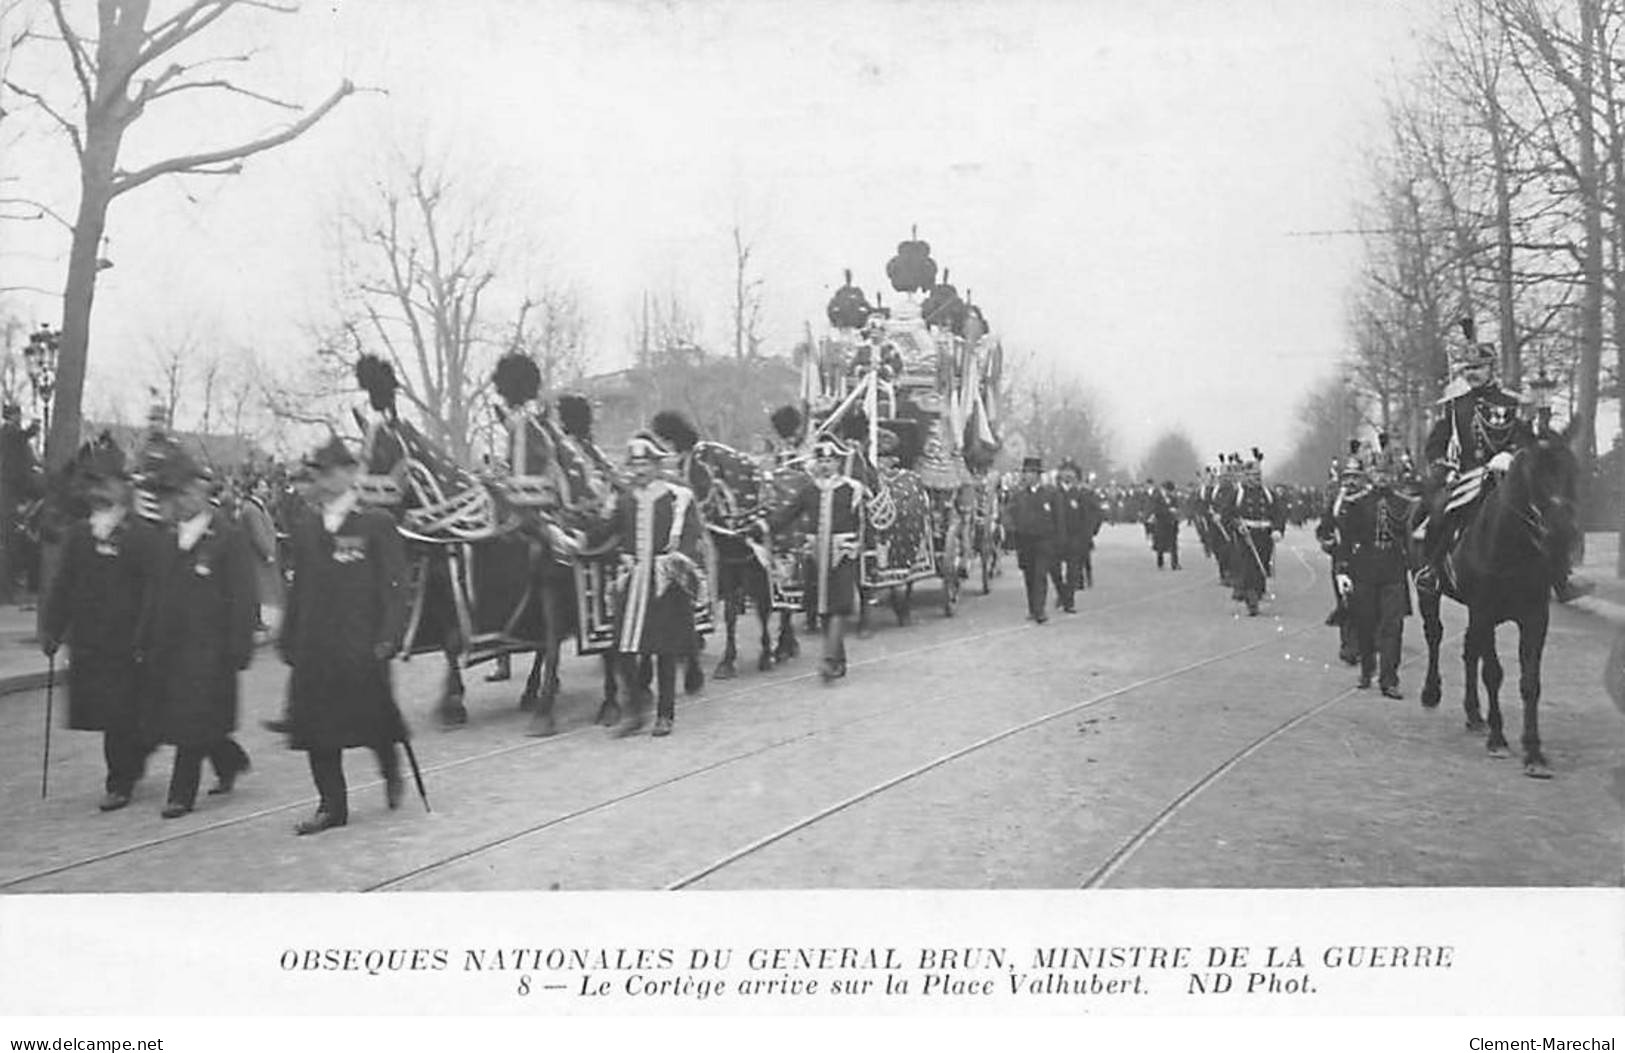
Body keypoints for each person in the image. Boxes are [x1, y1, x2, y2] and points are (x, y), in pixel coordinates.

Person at [280, 436, 410, 836]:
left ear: (351, 474)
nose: (322, 479)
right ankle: (331, 805)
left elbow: (395, 586)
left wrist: (390, 635)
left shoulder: (375, 523)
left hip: (361, 644)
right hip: (316, 645)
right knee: (317, 728)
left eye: (330, 471)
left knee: (373, 722)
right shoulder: (305, 526)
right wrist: (290, 636)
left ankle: (390, 769)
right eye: (318, 472)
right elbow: (299, 588)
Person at [1421, 319, 1591, 602]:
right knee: (1441, 511)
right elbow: (1436, 444)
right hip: (1468, 476)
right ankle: (1432, 570)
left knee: (1549, 513)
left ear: (1492, 368)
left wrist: (1510, 454)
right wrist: (1443, 466)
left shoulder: (1513, 402)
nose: (1472, 373)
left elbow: (1526, 438)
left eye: (1478, 368)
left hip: (1509, 473)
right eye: (1468, 369)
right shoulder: (1455, 404)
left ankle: (1559, 578)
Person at [40, 438, 161, 812]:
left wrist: (149, 635)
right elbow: (63, 586)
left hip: (131, 640)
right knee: (113, 713)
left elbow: (154, 591)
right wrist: (52, 629)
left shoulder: (142, 535)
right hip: (93, 639)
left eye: (106, 483)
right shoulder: (80, 535)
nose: (98, 491)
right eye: (93, 484)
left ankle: (124, 776)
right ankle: (121, 776)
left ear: (123, 486)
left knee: (134, 712)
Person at [141, 448, 256, 819]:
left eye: (187, 492)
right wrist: (144, 636)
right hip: (171, 647)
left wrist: (240, 644)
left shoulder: (227, 536)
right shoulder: (166, 538)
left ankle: (181, 793)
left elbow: (243, 595)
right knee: (192, 718)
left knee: (191, 719)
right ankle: (228, 759)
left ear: (202, 491)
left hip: (211, 648)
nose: (181, 501)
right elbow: (153, 593)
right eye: (174, 495)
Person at [604, 431, 705, 737]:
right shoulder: (623, 500)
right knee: (621, 649)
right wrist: (579, 538)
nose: (639, 470)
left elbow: (691, 535)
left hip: (665, 583)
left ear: (656, 465)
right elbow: (608, 533)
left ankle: (665, 714)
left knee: (665, 650)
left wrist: (679, 560)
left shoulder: (677, 498)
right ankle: (634, 709)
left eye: (645, 463)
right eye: (635, 465)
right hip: (633, 582)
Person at [771, 437, 867, 680]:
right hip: (816, 556)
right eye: (821, 460)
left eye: (830, 461)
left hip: (843, 554)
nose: (825, 466)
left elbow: (866, 522)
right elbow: (787, 515)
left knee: (839, 606)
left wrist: (864, 547)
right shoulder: (809, 491)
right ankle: (838, 661)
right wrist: (762, 527)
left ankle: (829, 659)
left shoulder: (852, 489)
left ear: (838, 463)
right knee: (823, 610)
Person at [1335, 441, 1416, 698]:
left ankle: (1389, 679)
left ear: (1392, 476)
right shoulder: (1358, 503)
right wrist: (1343, 569)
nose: (1382, 478)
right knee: (1366, 623)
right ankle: (1367, 669)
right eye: (1378, 473)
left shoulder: (1404, 504)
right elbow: (1346, 539)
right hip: (1365, 570)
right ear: (1370, 474)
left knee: (1393, 627)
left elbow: (1409, 538)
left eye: (1386, 474)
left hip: (1393, 570)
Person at [1218, 448, 1283, 617]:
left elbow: (1278, 513)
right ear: (1246, 477)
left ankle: (1258, 591)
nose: (1255, 480)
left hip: (1265, 535)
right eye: (1252, 476)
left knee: (1262, 566)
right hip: (1245, 536)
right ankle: (1250, 599)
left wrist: (1277, 529)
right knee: (1248, 567)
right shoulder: (1238, 493)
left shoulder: (1269, 494)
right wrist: (1236, 525)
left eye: (1257, 476)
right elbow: (1227, 514)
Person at [1002, 455, 1058, 623]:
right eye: (1025, 472)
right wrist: (1012, 529)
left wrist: (1058, 540)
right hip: (1024, 541)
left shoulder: (1050, 494)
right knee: (1029, 575)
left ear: (1037, 475)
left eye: (1030, 472)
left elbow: (1058, 517)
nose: (1026, 476)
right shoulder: (1018, 496)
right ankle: (1033, 608)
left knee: (1040, 574)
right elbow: (1008, 514)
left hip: (1044, 540)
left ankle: (1040, 610)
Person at [1050, 459, 1099, 612]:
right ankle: (1062, 592)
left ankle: (1069, 602)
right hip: (1055, 539)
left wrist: (1087, 536)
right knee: (1054, 571)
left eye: (1071, 472)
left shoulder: (1081, 494)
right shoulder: (1052, 493)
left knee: (1073, 573)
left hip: (1075, 540)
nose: (1067, 475)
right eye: (1064, 471)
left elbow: (1091, 517)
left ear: (1076, 476)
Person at [1147, 481, 1182, 570]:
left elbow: (1177, 506)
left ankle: (1175, 563)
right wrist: (1168, 510)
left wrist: (1176, 511)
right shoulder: (1157, 498)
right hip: (1161, 523)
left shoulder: (1173, 498)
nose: (1170, 493)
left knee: (1174, 544)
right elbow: (1156, 509)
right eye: (1169, 491)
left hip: (1172, 523)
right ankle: (1160, 562)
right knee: (1160, 544)